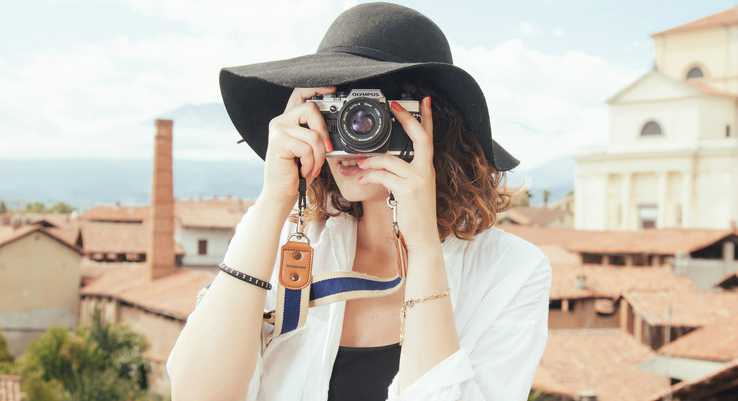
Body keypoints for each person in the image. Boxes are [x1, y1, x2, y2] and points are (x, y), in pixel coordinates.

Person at [166, 3, 551, 401]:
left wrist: (424, 250)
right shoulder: (283, 243)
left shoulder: (512, 273)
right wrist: (273, 201)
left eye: (374, 114)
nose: (355, 133)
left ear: (433, 124)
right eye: (336, 111)